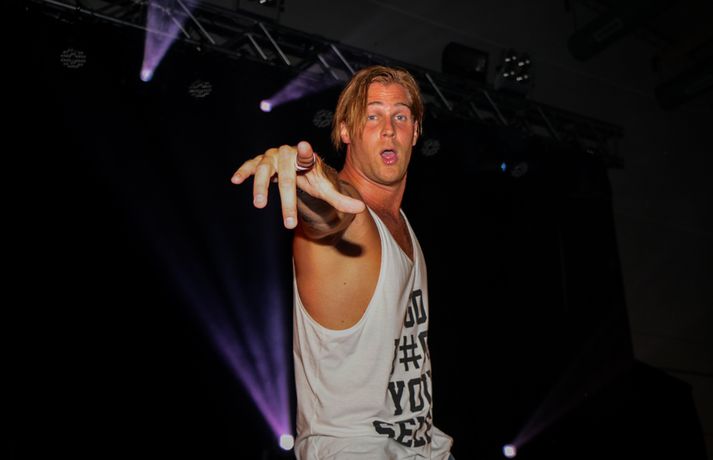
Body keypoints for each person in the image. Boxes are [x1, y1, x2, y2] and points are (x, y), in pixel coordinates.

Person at [231, 65, 453, 459]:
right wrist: (308, 179)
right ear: (346, 131)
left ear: (416, 131)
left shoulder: (400, 221)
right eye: (372, 116)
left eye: (400, 116)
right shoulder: (351, 213)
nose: (389, 130)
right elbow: (330, 214)